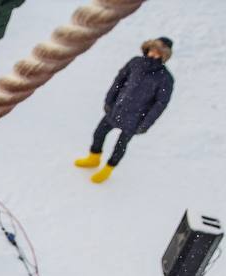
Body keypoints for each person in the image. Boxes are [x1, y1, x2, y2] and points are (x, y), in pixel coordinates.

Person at [74, 37, 173, 184]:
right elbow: (119, 81)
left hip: (136, 119)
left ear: (164, 55)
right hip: (116, 109)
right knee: (99, 132)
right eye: (152, 49)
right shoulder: (136, 62)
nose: (153, 53)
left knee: (120, 145)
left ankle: (108, 168)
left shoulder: (165, 78)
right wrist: (109, 100)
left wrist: (145, 124)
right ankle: (94, 158)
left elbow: (160, 105)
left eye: (158, 51)